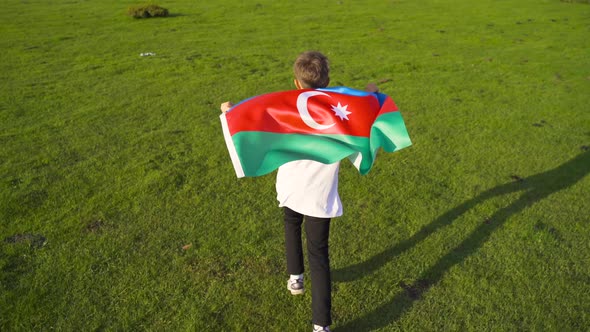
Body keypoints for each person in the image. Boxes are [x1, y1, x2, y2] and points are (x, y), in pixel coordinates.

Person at [220, 51, 379, 332]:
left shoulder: (285, 107)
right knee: (318, 253)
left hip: (291, 186)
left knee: (291, 226)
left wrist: (230, 112)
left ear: (296, 83)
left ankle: (295, 278)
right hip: (320, 193)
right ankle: (321, 326)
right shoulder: (338, 113)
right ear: (328, 82)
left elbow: (256, 114)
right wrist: (371, 95)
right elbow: (365, 118)